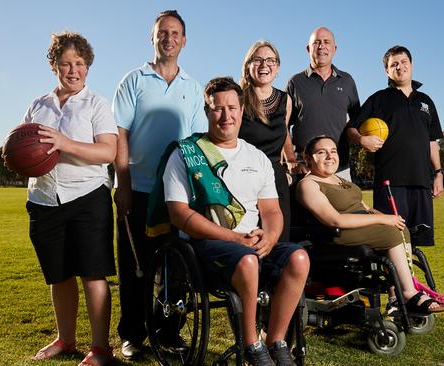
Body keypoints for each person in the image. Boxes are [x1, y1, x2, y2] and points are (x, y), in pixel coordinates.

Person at [155, 77, 309, 366]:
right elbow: (179, 214)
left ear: (242, 111)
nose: (226, 116)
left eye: (232, 108)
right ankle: (252, 345)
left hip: (254, 243)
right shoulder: (185, 154)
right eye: (217, 109)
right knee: (248, 261)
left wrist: (272, 237)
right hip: (208, 247)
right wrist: (236, 239)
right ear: (206, 111)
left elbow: (273, 211)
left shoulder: (258, 157)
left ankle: (276, 341)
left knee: (299, 258)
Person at [111, 9, 208, 359]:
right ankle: (133, 336)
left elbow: (197, 140)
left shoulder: (193, 88)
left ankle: (167, 332)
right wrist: (122, 184)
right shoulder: (133, 81)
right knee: (135, 267)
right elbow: (119, 133)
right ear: (152, 38)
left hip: (175, 192)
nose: (168, 38)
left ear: (184, 41)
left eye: (175, 33)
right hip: (137, 187)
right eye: (162, 32)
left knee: (177, 268)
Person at [23, 32, 118, 366]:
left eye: (80, 63)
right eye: (66, 63)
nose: (73, 70)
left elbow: (109, 151)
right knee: (58, 274)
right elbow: (25, 149)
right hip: (45, 198)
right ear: (54, 66)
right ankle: (65, 339)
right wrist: (17, 158)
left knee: (93, 274)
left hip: (87, 196)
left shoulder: (97, 104)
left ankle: (101, 348)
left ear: (87, 67)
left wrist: (66, 143)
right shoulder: (38, 105)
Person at [296, 135, 444, 314]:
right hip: (337, 233)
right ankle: (408, 293)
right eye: (322, 152)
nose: (330, 156)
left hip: (359, 226)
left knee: (399, 228)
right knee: (391, 234)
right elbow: (335, 220)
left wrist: (388, 218)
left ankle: (395, 295)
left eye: (333, 151)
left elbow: (364, 207)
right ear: (309, 158)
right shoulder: (308, 184)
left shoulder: (339, 179)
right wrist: (383, 220)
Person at [347, 45, 443, 246]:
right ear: (387, 71)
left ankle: (411, 279)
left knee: (417, 241)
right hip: (390, 183)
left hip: (421, 182)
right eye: (394, 64)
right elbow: (351, 129)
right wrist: (362, 140)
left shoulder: (426, 101)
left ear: (412, 64)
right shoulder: (379, 99)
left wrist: (439, 173)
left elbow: (432, 140)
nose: (400, 67)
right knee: (391, 241)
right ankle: (394, 279)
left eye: (403, 62)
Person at [238, 41, 296, 241]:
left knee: (279, 238)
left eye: (271, 60)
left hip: (275, 177)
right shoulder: (238, 99)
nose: (265, 65)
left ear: (278, 68)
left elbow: (284, 133)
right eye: (258, 60)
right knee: (250, 239)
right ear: (248, 66)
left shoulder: (285, 100)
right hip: (243, 177)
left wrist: (291, 162)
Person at [286, 27, 360, 180]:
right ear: (308, 49)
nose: (321, 47)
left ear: (334, 48)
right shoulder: (295, 82)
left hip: (340, 167)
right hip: (304, 168)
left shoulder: (347, 81)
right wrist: (290, 159)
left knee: (342, 205)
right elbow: (282, 125)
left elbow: (357, 121)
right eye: (316, 43)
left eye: (326, 42)